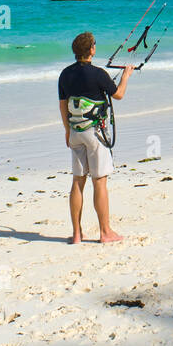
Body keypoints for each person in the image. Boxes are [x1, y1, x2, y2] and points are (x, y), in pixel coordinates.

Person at [58, 31, 134, 244]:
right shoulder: (98, 74)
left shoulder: (65, 74)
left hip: (75, 132)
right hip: (95, 134)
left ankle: (76, 234)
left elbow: (63, 105)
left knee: (77, 182)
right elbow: (118, 95)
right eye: (94, 45)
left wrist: (67, 130)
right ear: (91, 49)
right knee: (99, 182)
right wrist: (126, 75)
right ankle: (105, 232)